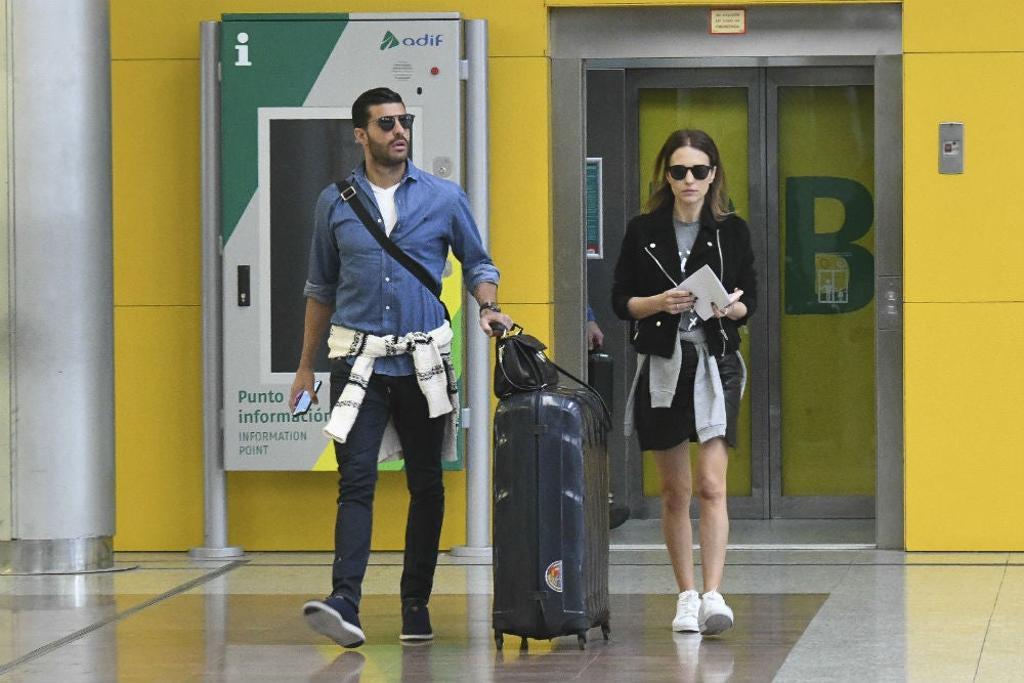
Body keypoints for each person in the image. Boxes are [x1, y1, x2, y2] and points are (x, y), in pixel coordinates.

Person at [291, 87, 513, 648]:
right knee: (356, 479)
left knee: (426, 483)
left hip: (424, 362)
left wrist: (487, 307)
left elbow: (479, 262)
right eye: (385, 123)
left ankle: (416, 603)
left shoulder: (443, 197)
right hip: (355, 360)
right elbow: (320, 287)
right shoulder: (334, 201)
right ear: (360, 134)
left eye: (404, 121)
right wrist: (303, 369)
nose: (399, 131)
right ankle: (345, 600)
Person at [611, 129, 756, 637]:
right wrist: (659, 303)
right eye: (678, 171)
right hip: (663, 362)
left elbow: (748, 302)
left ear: (713, 174)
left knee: (712, 485)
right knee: (676, 490)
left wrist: (729, 306)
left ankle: (715, 592)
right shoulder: (643, 229)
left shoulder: (730, 231)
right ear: (666, 176)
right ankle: (686, 595)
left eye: (698, 170)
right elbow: (621, 300)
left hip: (716, 360)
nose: (689, 180)